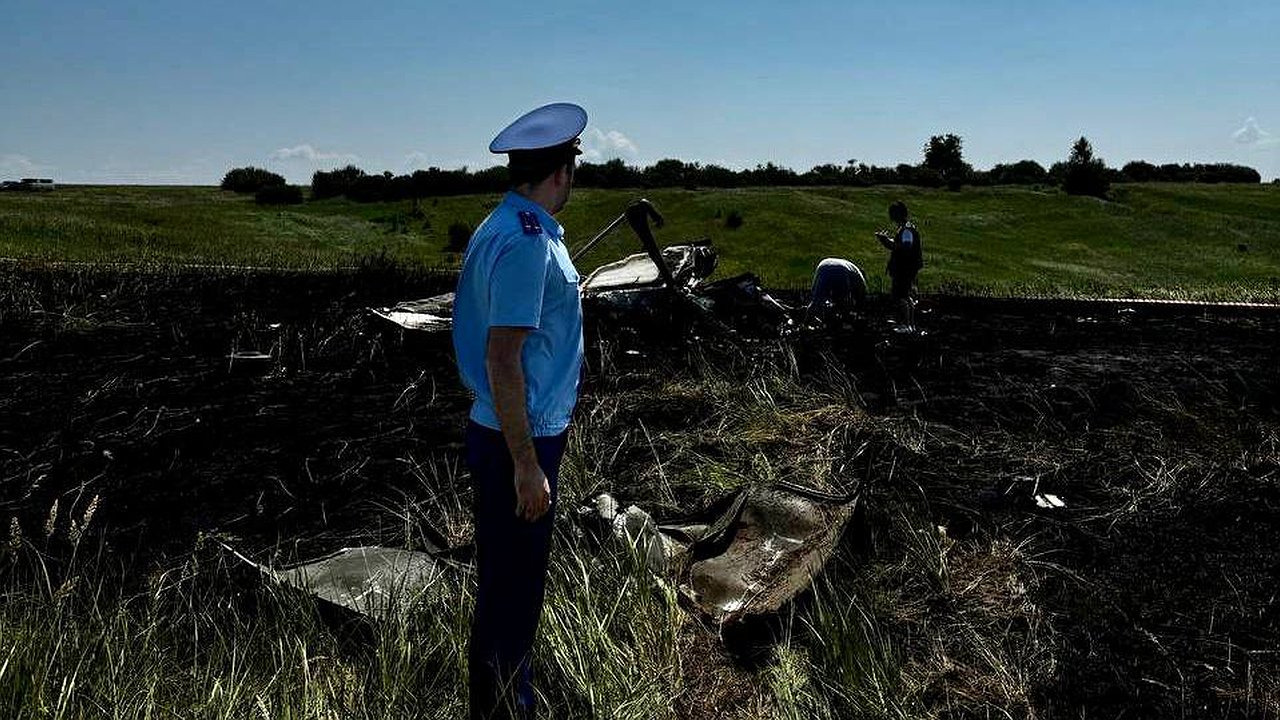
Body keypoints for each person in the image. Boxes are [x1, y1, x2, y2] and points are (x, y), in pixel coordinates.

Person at [451, 102, 588, 719]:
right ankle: (509, 710)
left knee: (504, 587)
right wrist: (527, 465)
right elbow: (504, 358)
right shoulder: (529, 243)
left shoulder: (500, 225)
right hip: (520, 438)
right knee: (514, 593)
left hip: (505, 430)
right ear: (561, 171)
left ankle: (495, 706)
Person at [874, 200, 923, 328]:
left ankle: (905, 324)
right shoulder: (905, 228)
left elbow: (905, 248)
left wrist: (887, 242)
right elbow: (900, 246)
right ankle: (909, 325)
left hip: (904, 268)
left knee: (900, 296)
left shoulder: (906, 230)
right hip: (906, 268)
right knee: (905, 296)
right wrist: (886, 241)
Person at [804, 257, 867, 326]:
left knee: (816, 299)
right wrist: (858, 312)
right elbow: (860, 297)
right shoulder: (860, 278)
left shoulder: (853, 269)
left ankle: (807, 321)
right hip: (841, 270)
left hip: (823, 265)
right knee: (841, 302)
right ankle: (843, 323)